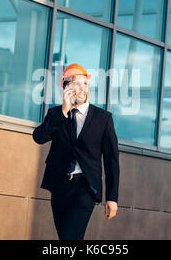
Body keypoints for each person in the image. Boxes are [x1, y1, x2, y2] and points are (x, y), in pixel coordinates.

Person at [32, 63, 120, 240]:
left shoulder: (103, 118)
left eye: (85, 84)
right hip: (59, 186)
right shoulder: (56, 114)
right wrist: (63, 111)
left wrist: (112, 197)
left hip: (85, 187)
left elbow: (112, 160)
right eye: (77, 84)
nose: (82, 88)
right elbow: (39, 137)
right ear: (66, 87)